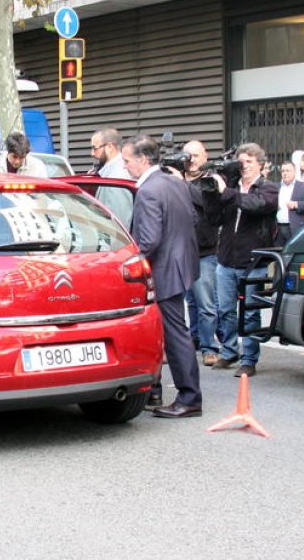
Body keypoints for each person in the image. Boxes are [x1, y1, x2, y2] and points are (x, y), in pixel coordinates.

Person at [122, 136, 203, 418]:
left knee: (173, 334)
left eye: (127, 161)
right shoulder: (174, 182)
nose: (125, 166)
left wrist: (126, 261)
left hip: (164, 270)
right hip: (180, 265)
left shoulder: (148, 191)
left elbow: (148, 241)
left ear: (143, 160)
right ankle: (155, 390)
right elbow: (193, 219)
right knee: (168, 332)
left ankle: (189, 397)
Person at [205, 142, 279, 377]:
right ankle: (229, 351)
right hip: (226, 260)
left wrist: (226, 192)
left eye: (249, 161)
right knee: (225, 310)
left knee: (250, 313)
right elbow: (214, 219)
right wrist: (211, 194)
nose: (244, 165)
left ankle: (249, 359)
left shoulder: (268, 188)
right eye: (241, 161)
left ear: (261, 165)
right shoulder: (231, 187)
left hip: (254, 262)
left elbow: (254, 205)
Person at [182, 140, 222, 368]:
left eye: (196, 155)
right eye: (188, 155)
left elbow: (207, 204)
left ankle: (209, 347)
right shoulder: (177, 178)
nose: (192, 160)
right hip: (183, 251)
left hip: (205, 251)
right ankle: (194, 339)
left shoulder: (211, 179)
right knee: (191, 302)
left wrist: (182, 184)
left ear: (206, 156)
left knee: (206, 303)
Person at [276, 161, 304, 244]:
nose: (285, 173)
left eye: (288, 171)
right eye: (283, 171)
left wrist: (297, 205)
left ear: (294, 172)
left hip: (295, 228)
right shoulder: (275, 187)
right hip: (277, 229)